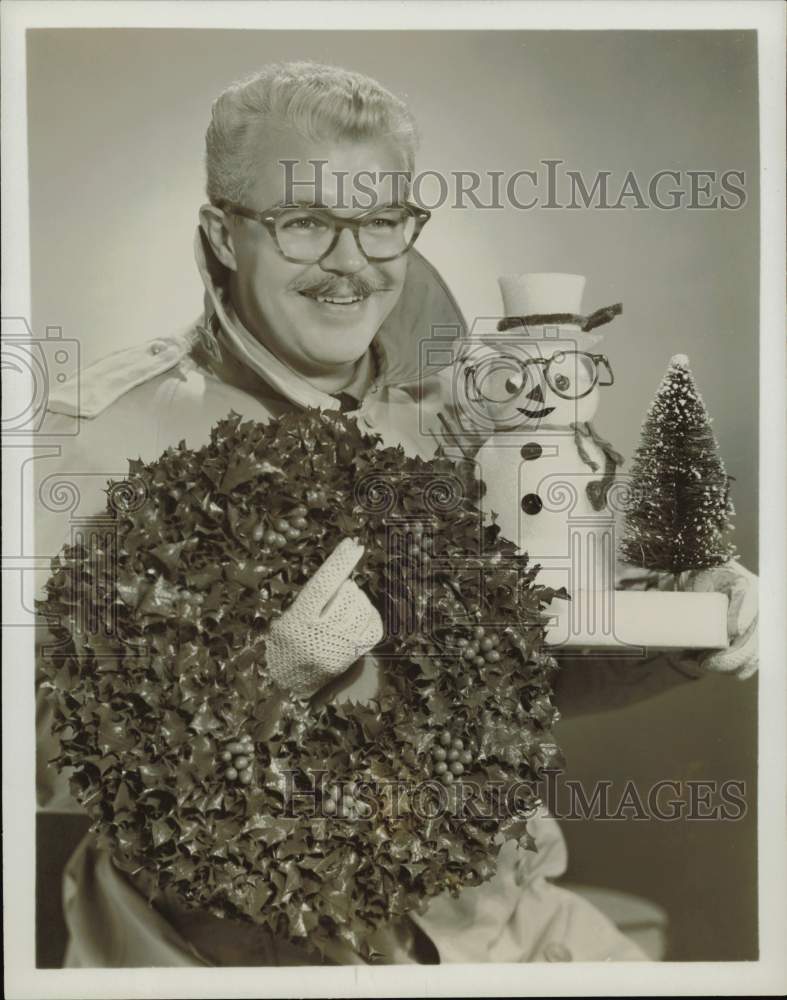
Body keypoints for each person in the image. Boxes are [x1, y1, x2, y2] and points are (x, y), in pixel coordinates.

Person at [34, 61, 758, 968]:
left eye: (382, 221)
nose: (352, 263)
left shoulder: (462, 420)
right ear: (223, 235)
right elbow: (40, 755)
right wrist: (261, 683)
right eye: (305, 223)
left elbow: (510, 676)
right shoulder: (101, 438)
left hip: (490, 917)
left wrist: (687, 618)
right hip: (229, 944)